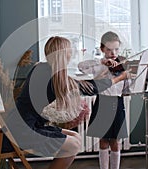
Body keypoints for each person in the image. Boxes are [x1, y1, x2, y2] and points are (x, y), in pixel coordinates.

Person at [15, 36, 126, 169]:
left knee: (75, 136)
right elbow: (88, 88)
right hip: (25, 130)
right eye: (70, 51)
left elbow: (81, 85)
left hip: (21, 124)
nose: (72, 54)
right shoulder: (53, 76)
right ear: (64, 55)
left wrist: (102, 66)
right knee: (74, 145)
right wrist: (119, 78)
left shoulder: (41, 68)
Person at [79, 31, 128, 169]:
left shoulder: (122, 63)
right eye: (109, 50)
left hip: (117, 102)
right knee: (103, 140)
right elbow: (81, 67)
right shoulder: (99, 64)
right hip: (102, 102)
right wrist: (101, 61)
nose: (113, 53)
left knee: (116, 141)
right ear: (102, 49)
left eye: (116, 49)